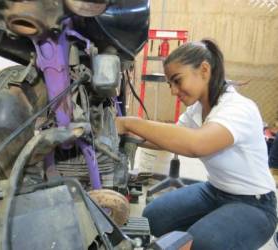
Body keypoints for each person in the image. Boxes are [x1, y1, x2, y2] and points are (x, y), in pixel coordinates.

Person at [116, 39, 277, 250]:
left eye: (177, 80)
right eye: (170, 84)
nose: (173, 91)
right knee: (153, 217)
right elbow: (168, 140)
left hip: (255, 204)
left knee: (201, 243)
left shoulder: (237, 108)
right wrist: (126, 133)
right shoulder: (197, 109)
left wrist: (130, 122)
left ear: (204, 69)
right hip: (215, 190)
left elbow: (196, 145)